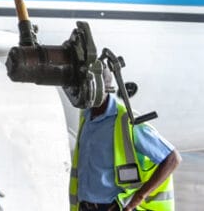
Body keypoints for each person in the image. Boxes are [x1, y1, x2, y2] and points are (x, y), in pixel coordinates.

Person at [71, 82, 180, 211]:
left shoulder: (126, 121)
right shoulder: (86, 117)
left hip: (113, 207)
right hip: (85, 206)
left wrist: (137, 199)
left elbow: (172, 159)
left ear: (100, 89)